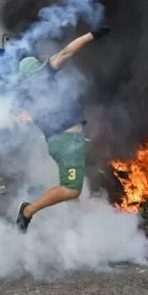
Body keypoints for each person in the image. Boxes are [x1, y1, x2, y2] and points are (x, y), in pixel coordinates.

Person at [15, 27, 110, 233]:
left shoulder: (24, 94)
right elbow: (66, 52)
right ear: (36, 69)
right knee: (71, 189)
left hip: (58, 143)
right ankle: (28, 211)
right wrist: (92, 35)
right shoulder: (41, 77)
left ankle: (74, 225)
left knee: (72, 181)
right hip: (67, 142)